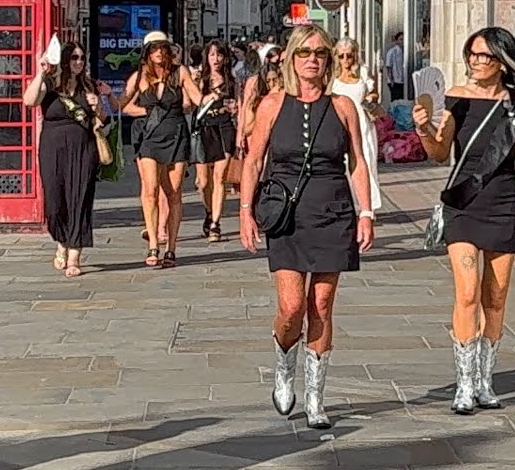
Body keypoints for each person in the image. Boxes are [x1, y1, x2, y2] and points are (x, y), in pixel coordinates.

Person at [238, 25, 374, 430]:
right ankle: (284, 362)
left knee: (322, 305)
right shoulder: (273, 104)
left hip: (333, 210)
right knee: (291, 306)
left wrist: (366, 212)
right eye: (305, 52)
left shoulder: (343, 106)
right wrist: (245, 211)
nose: (313, 60)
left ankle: (315, 396)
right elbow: (253, 160)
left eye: (320, 53)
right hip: (287, 213)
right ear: (291, 58)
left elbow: (358, 162)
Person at [411, 26, 515, 415]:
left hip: (503, 203)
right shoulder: (456, 98)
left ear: (502, 61)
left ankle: (485, 380)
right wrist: (423, 128)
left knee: (495, 296)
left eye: (484, 55)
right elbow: (440, 152)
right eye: (471, 53)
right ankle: (465, 384)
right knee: (467, 292)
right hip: (463, 204)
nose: (475, 61)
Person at [118, 31, 212, 268]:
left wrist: (212, 94)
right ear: (147, 53)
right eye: (154, 49)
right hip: (149, 137)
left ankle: (171, 247)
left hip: (176, 134)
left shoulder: (180, 73)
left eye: (162, 48)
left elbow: (198, 100)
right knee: (150, 189)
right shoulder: (140, 76)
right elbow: (122, 104)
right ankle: (153, 244)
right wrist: (145, 111)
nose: (159, 53)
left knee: (174, 191)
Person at [22, 41, 105, 276]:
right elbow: (29, 101)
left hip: (83, 147)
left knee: (80, 198)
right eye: (74, 57)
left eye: (82, 58)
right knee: (54, 201)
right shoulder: (50, 84)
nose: (79, 62)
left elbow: (102, 119)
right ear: (65, 60)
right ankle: (62, 241)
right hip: (53, 147)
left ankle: (74, 256)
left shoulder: (89, 85)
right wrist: (41, 72)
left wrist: (98, 106)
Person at [330, 38, 382, 213]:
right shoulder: (333, 76)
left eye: (349, 55)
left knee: (366, 161)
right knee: (344, 165)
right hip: (340, 125)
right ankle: (349, 203)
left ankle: (368, 206)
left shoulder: (363, 72)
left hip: (362, 124)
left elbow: (375, 93)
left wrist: (371, 98)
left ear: (355, 55)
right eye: (341, 56)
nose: (345, 60)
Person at [193, 40, 238, 242]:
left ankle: (215, 223)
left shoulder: (231, 81)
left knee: (220, 177)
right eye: (212, 54)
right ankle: (209, 211)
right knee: (203, 182)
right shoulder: (200, 78)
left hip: (224, 127)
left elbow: (239, 104)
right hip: (204, 128)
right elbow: (191, 103)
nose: (216, 59)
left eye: (219, 54)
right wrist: (197, 85)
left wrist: (235, 110)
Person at [385, 32, 406, 102]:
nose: (402, 41)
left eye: (404, 39)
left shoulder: (406, 51)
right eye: (401, 39)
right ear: (396, 41)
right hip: (395, 81)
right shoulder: (392, 52)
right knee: (395, 101)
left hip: (404, 81)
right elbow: (389, 67)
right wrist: (391, 80)